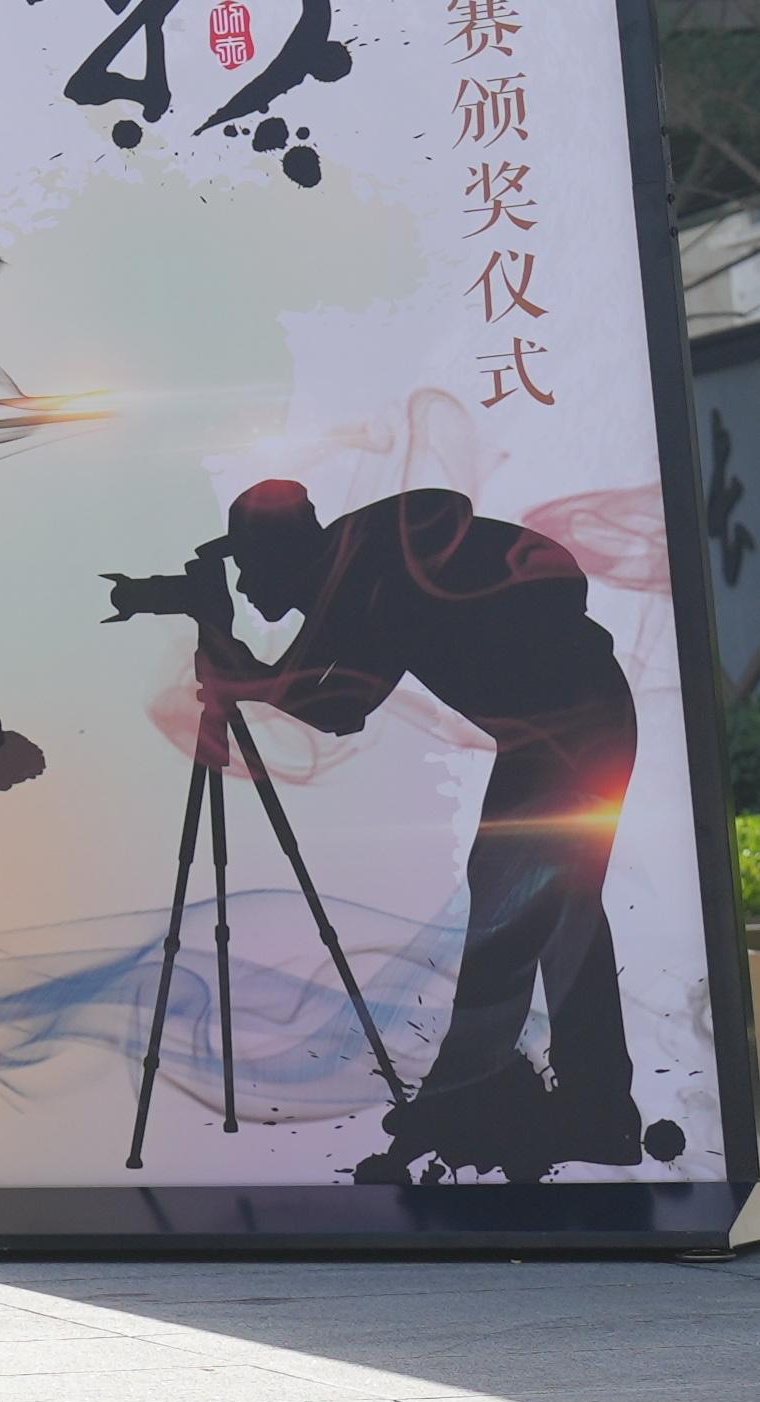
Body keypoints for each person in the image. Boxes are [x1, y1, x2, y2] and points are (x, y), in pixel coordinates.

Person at [204, 475, 662, 1182]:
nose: (241, 584)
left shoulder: (370, 578)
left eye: (244, 565)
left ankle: (478, 1098)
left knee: (516, 911)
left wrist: (237, 668)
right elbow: (308, 679)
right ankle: (592, 1105)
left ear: (278, 555)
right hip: (566, 729)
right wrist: (244, 668)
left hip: (570, 732)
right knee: (560, 913)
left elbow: (337, 705)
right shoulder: (357, 570)